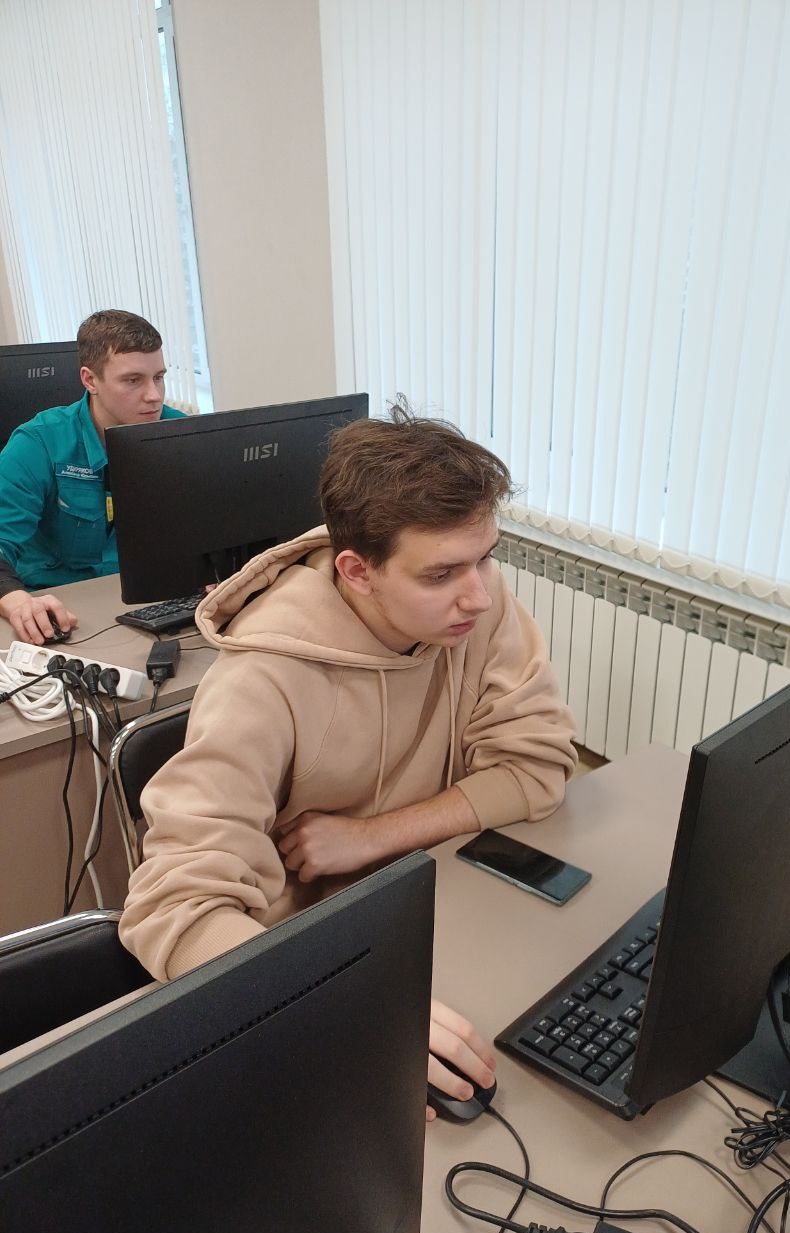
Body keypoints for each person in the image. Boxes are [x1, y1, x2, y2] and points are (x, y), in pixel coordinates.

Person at [120, 403, 579, 1115]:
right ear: (357, 572)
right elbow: (172, 903)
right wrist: (349, 1008)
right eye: (441, 574)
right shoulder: (261, 679)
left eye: (487, 557)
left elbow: (536, 768)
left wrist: (373, 835)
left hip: (433, 908)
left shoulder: (476, 610)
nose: (480, 594)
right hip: (303, 968)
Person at [0, 309, 186, 644]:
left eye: (158, 377)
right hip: (59, 607)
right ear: (90, 380)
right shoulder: (37, 443)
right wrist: (17, 601)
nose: (154, 395)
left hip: (145, 605)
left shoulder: (180, 434)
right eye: (133, 380)